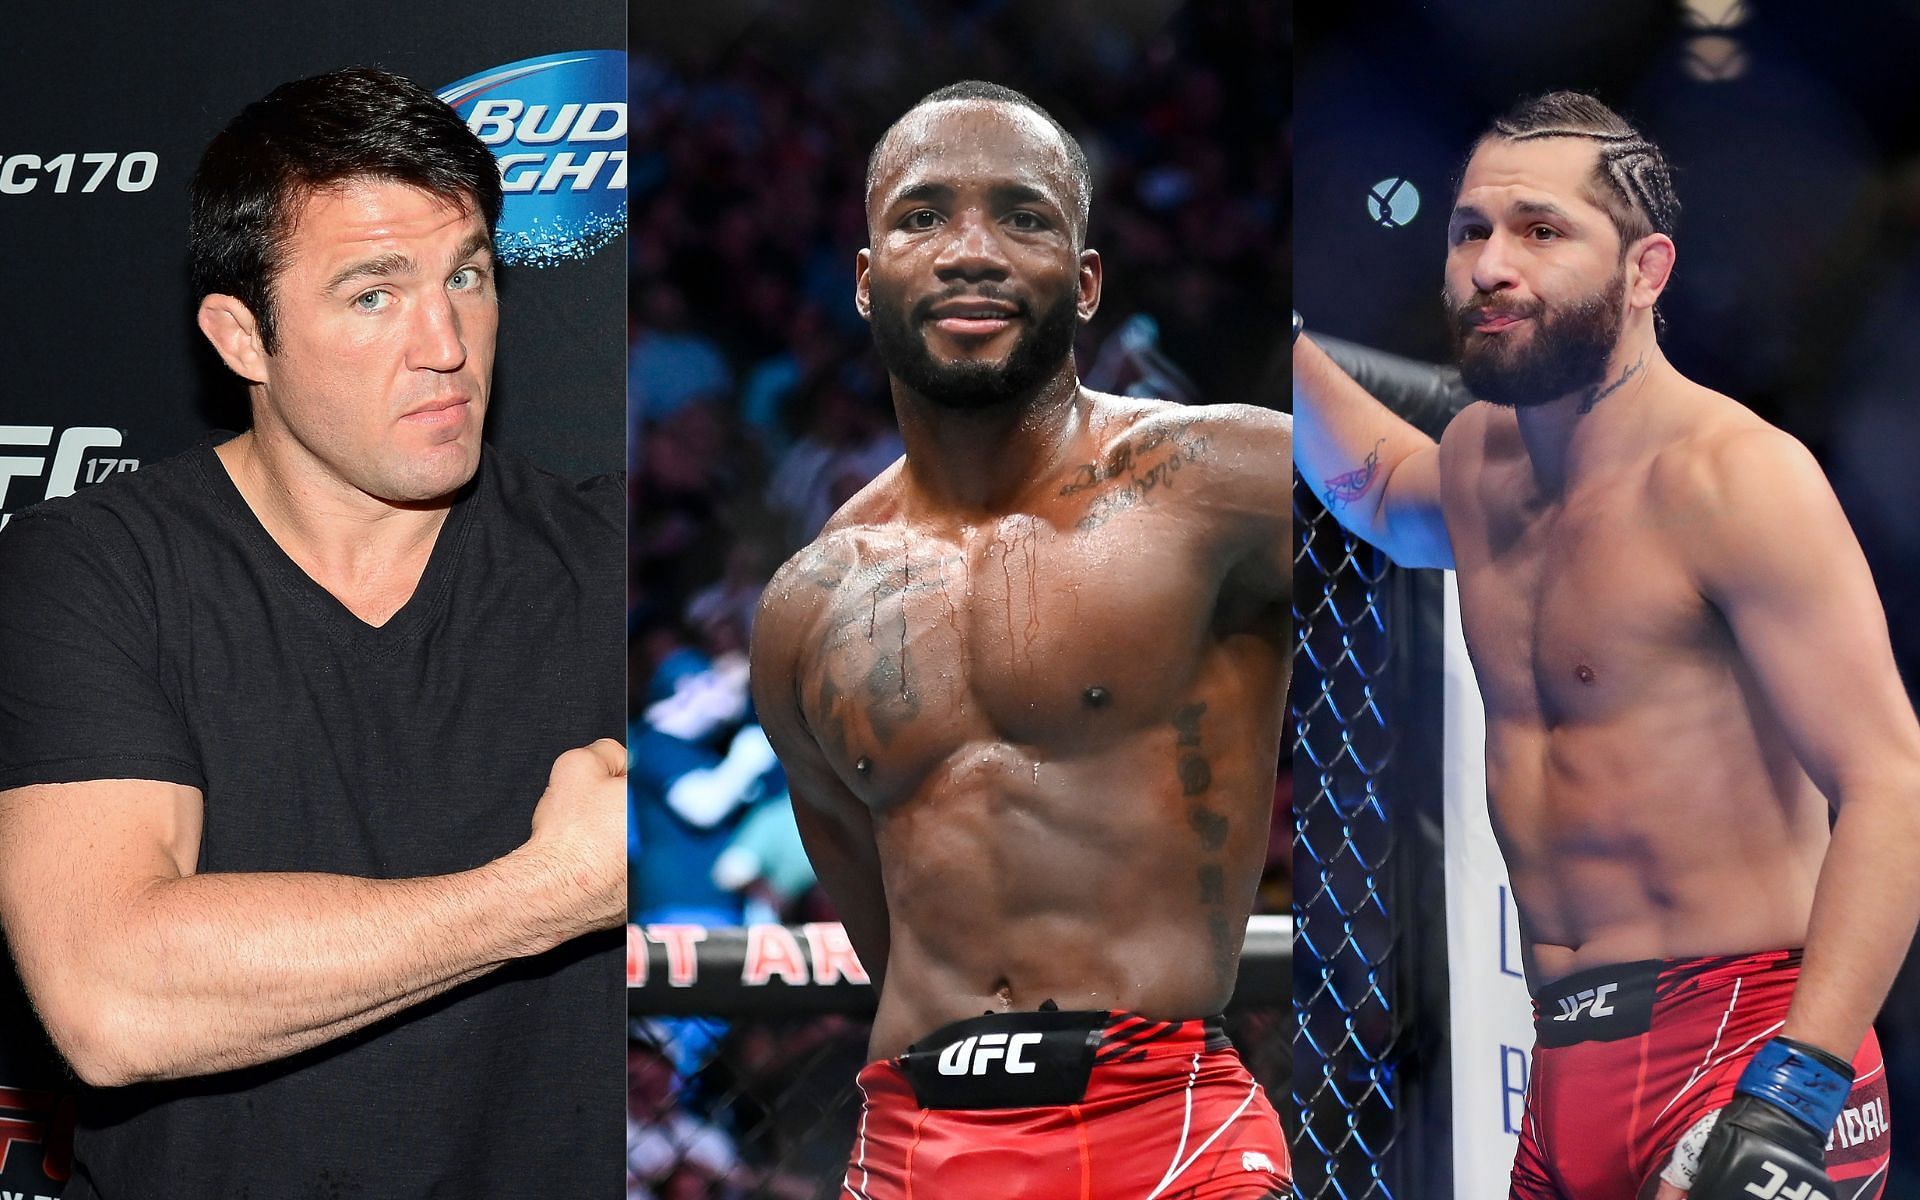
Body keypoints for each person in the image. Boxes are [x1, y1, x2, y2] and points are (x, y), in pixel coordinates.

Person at [0, 68, 625, 1196]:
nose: (446, 342)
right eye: (372, 295)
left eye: (469, 276)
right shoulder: (97, 568)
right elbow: (108, 997)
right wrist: (548, 890)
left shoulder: (614, 564)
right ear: (244, 338)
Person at [1293, 91, 1912, 1200]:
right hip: (1566, 1064)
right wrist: (1282, 347)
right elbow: (1383, 492)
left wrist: (1798, 1087)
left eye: (1540, 229)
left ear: (1645, 270)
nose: (1489, 263)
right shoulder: (1483, 462)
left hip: (1748, 1041)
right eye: (1469, 230)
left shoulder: (1731, 477)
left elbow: (1893, 783)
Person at [750, 80, 1293, 1198]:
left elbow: (1511, 539)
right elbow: (880, 916)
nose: (970, 252)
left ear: (1087, 281)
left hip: (1165, 1130)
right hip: (915, 1144)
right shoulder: (808, 605)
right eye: (921, 216)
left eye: (1024, 216)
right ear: (866, 279)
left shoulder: (1223, 483)